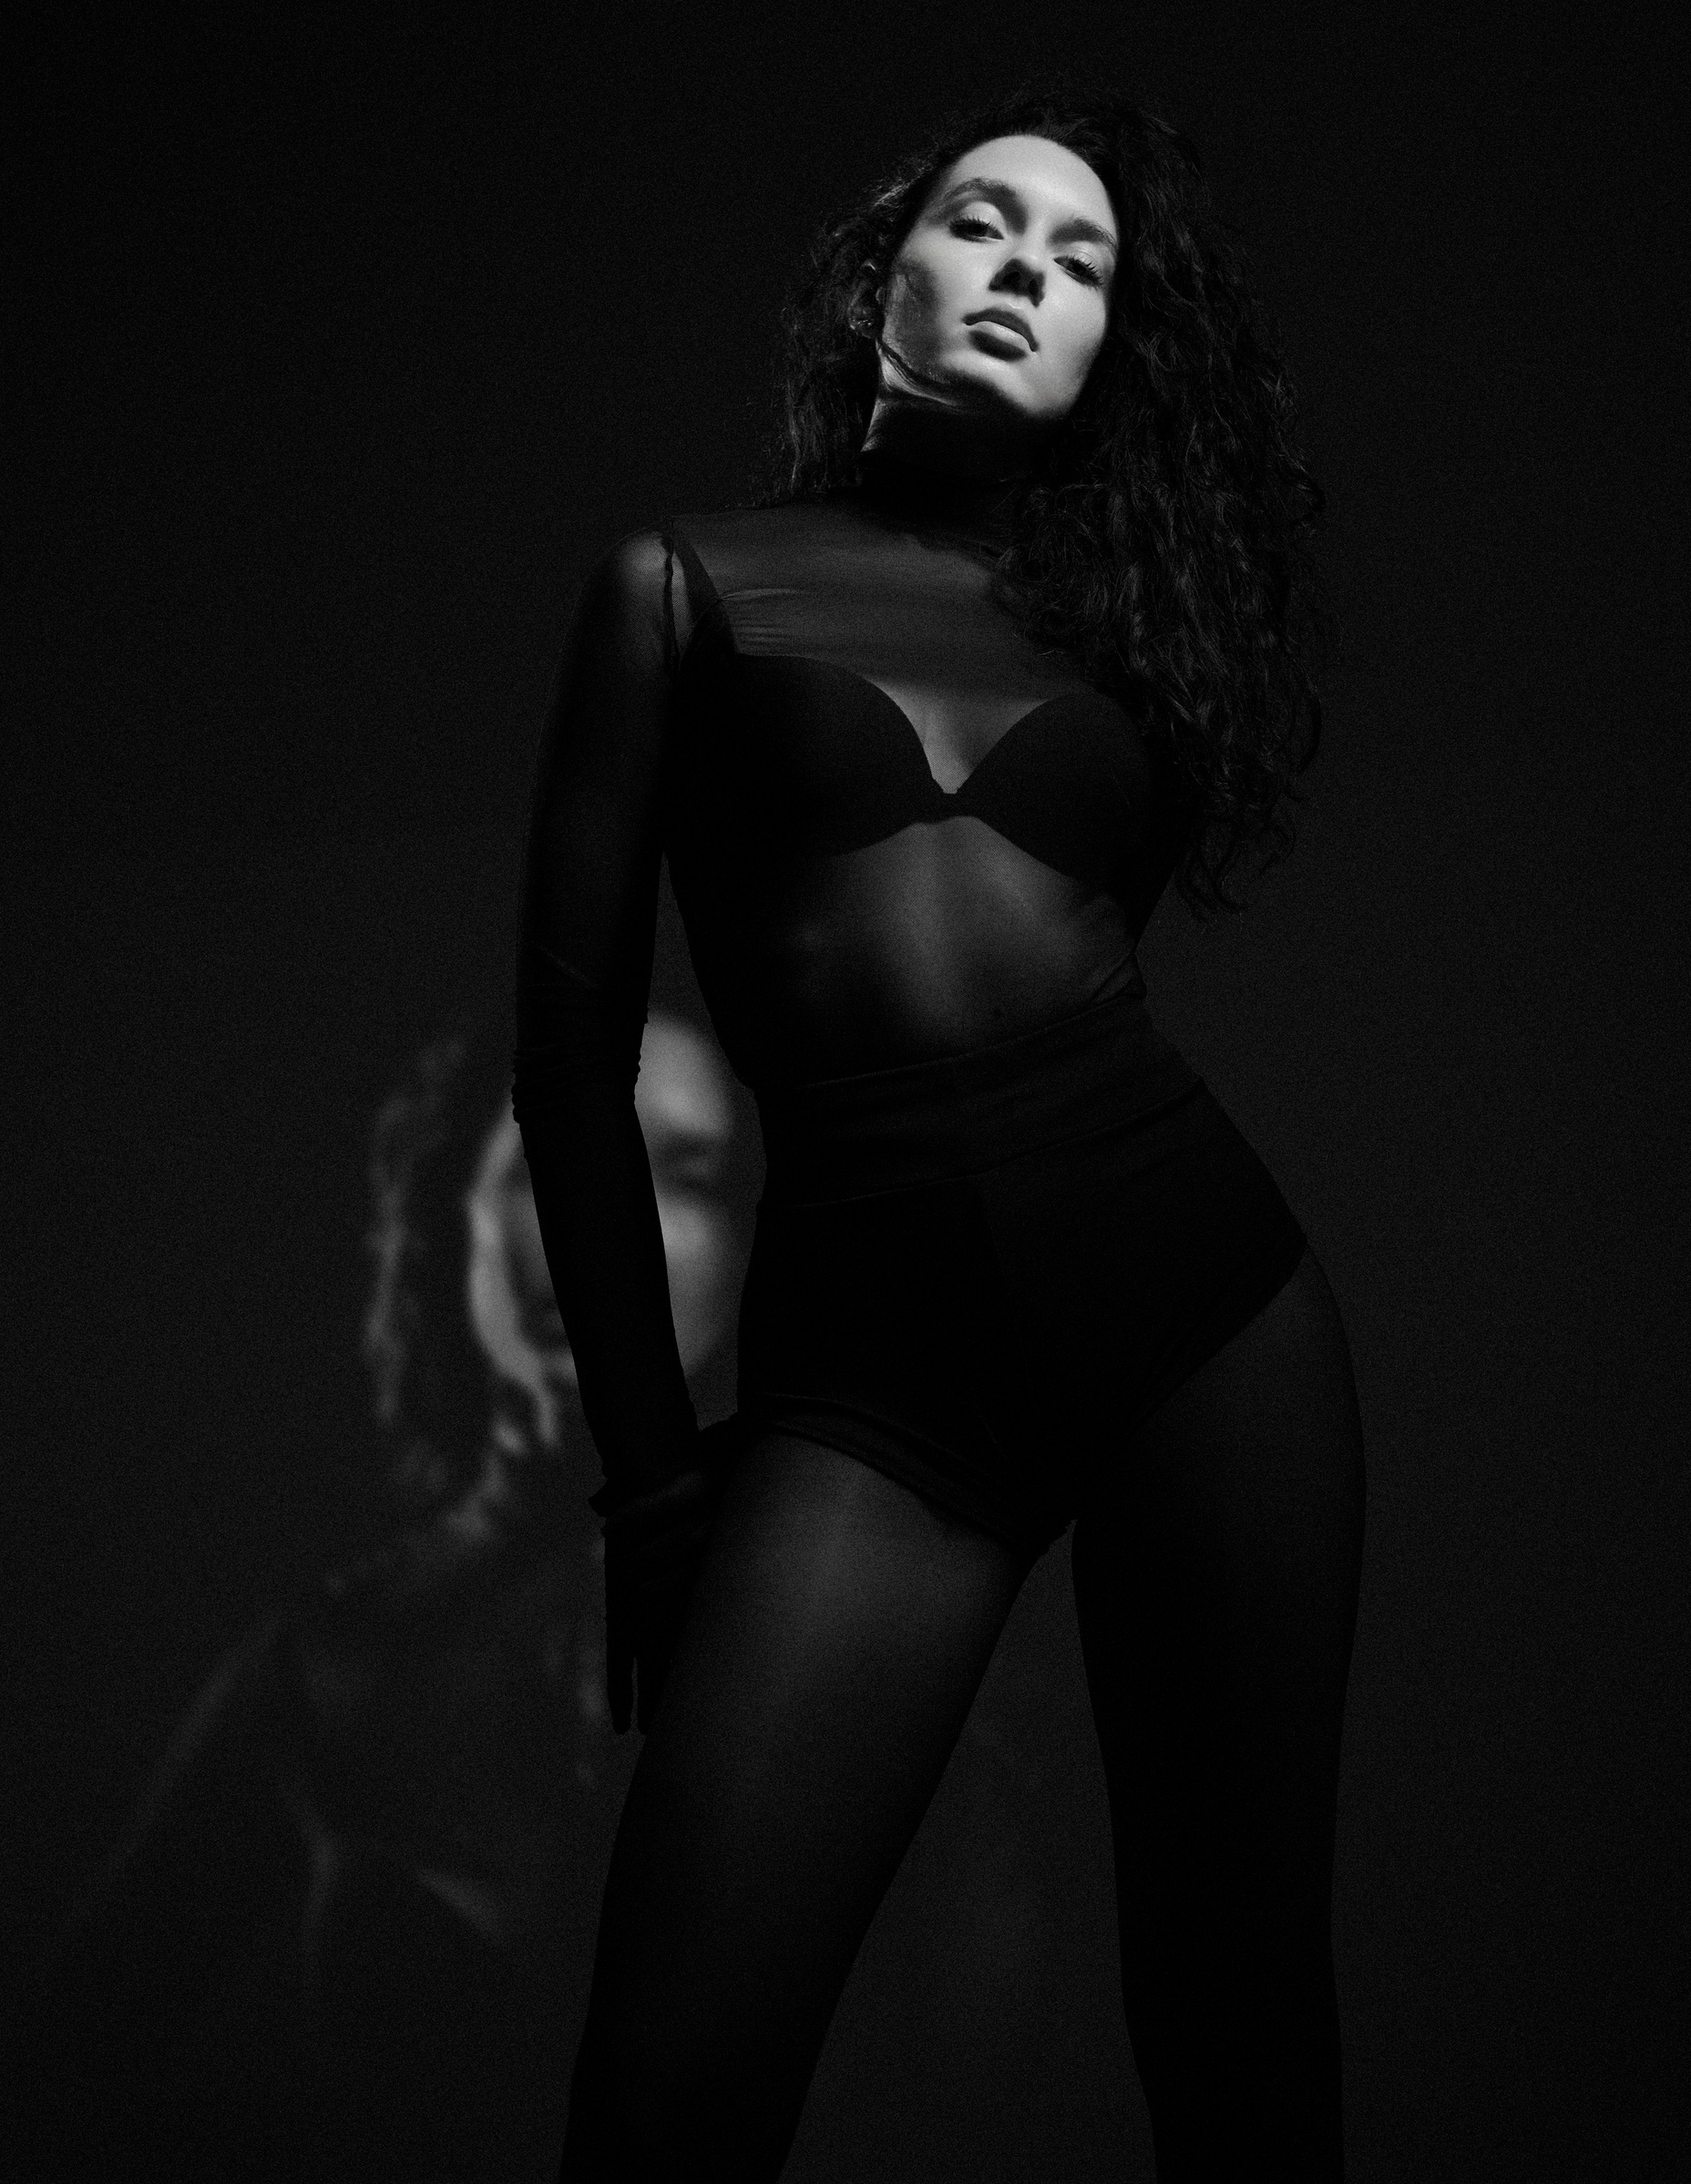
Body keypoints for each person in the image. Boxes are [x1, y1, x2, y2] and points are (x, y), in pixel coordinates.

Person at [514, 81, 1367, 2183]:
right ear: (877, 277)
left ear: (1104, 356)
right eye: (984, 225)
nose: (1024, 277)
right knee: (668, 2099)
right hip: (882, 1379)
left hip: (1206, 1322)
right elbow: (569, 1055)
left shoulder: (1119, 643)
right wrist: (654, 1481)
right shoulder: (686, 586)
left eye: (1080, 265)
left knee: (1238, 2032)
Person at [10, 1011, 743, 2184]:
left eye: (687, 1174)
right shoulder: (330, 1661)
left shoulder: (861, 1615)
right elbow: (67, 2061)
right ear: (455, 1218)